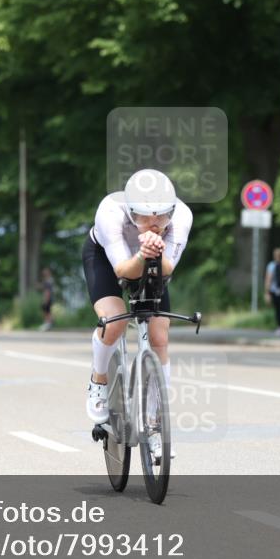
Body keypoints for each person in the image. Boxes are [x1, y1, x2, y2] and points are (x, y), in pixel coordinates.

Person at [82, 169, 192, 460]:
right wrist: (143, 254)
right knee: (114, 320)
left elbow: (168, 268)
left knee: (159, 333)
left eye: (161, 218)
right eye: (144, 218)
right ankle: (98, 380)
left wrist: (154, 255)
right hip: (108, 259)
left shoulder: (182, 216)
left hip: (153, 260)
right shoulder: (110, 212)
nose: (154, 224)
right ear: (131, 211)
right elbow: (123, 271)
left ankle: (157, 423)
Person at [38, 267, 54, 331]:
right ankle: (48, 323)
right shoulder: (49, 280)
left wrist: (46, 299)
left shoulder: (48, 281)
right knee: (47, 311)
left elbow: (47, 291)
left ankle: (48, 324)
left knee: (46, 311)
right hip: (48, 298)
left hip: (48, 298)